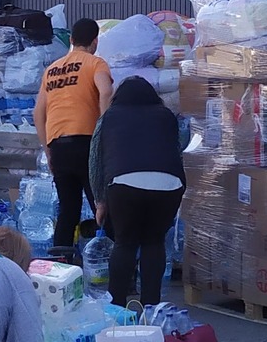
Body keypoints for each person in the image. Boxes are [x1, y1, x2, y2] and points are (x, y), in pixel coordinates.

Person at [89, 76, 187, 309]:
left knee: (125, 243)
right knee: (154, 242)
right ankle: (151, 310)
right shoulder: (166, 117)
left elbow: (95, 160)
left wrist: (100, 201)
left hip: (123, 183)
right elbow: (177, 151)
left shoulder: (109, 118)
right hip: (169, 184)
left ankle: (117, 308)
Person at [33, 18, 113, 255]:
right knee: (102, 206)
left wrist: (48, 148)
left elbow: (38, 113)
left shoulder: (52, 69)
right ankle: (113, 266)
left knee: (68, 211)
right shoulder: (96, 63)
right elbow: (106, 90)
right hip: (87, 145)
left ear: (71, 40)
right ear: (95, 41)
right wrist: (104, 128)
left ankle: (60, 267)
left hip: (58, 146)